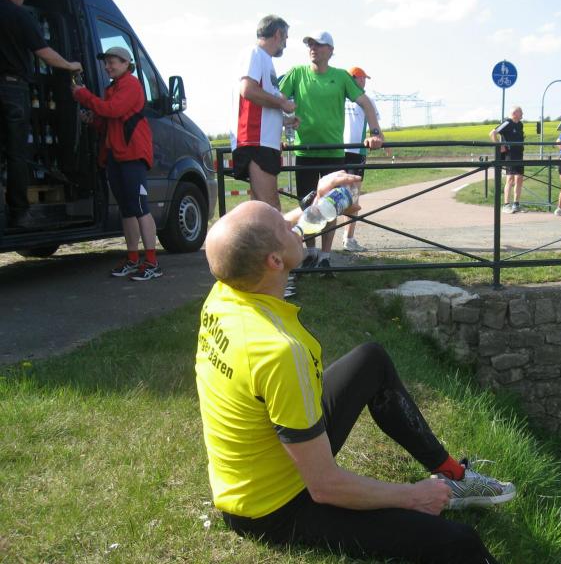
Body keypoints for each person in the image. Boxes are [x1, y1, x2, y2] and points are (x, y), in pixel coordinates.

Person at [195, 171, 515, 564]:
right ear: (275, 261)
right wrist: (413, 496)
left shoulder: (226, 287)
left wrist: (319, 203)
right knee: (460, 543)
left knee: (370, 360)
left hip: (256, 473)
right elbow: (325, 486)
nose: (293, 223)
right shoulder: (278, 351)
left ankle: (452, 474)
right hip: (275, 509)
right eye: (284, 225)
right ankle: (441, 495)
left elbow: (263, 237)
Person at [279, 31, 383, 276]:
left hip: (333, 152)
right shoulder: (296, 74)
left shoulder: (341, 77)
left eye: (319, 44)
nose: (313, 48)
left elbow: (366, 103)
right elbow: (276, 101)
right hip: (304, 152)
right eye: (310, 44)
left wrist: (376, 133)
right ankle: (311, 253)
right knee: (307, 204)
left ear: (331, 50)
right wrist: (281, 127)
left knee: (331, 205)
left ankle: (326, 257)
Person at [0, 0, 82, 229]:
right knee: (16, 152)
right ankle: (19, 213)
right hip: (12, 89)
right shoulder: (18, 15)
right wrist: (69, 65)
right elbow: (44, 52)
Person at [72, 47, 160, 281]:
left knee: (139, 208)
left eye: (112, 62)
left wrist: (83, 96)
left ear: (125, 64)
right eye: (106, 62)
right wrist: (92, 120)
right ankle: (133, 259)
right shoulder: (113, 88)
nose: (107, 66)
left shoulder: (130, 84)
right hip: (117, 155)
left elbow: (113, 110)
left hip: (132, 154)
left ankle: (152, 262)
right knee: (128, 210)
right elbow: (109, 121)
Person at [230, 15, 296, 211]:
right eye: (285, 38)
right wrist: (282, 103)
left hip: (263, 141)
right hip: (256, 141)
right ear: (278, 34)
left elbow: (262, 103)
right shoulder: (255, 53)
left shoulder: (265, 59)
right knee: (271, 207)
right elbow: (248, 90)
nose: (285, 44)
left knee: (261, 209)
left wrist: (284, 120)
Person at [341, 66, 379, 253]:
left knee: (353, 196)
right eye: (360, 78)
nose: (363, 81)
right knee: (332, 195)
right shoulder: (339, 98)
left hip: (357, 152)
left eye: (365, 78)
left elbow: (375, 126)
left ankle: (349, 238)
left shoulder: (367, 100)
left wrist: (379, 139)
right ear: (351, 79)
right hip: (336, 152)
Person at [489, 106, 525, 213]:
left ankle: (516, 204)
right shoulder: (507, 123)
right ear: (514, 113)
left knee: (519, 179)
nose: (522, 114)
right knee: (510, 179)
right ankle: (506, 205)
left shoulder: (520, 124)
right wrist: (499, 145)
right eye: (520, 112)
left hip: (519, 154)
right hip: (510, 155)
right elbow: (492, 133)